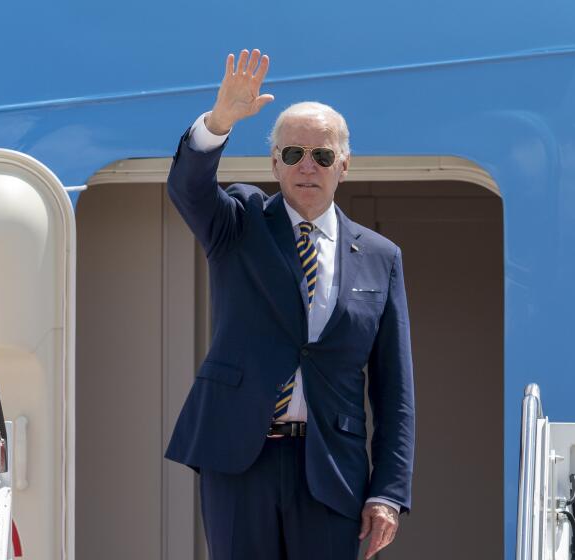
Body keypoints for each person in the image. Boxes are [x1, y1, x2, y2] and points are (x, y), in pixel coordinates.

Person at [164, 49, 415, 560]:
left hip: (331, 466)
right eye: (294, 154)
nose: (308, 166)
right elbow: (188, 188)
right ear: (273, 162)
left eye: (322, 156)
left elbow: (395, 388)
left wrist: (388, 491)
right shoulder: (238, 221)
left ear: (343, 166)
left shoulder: (380, 257)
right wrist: (219, 121)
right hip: (240, 455)